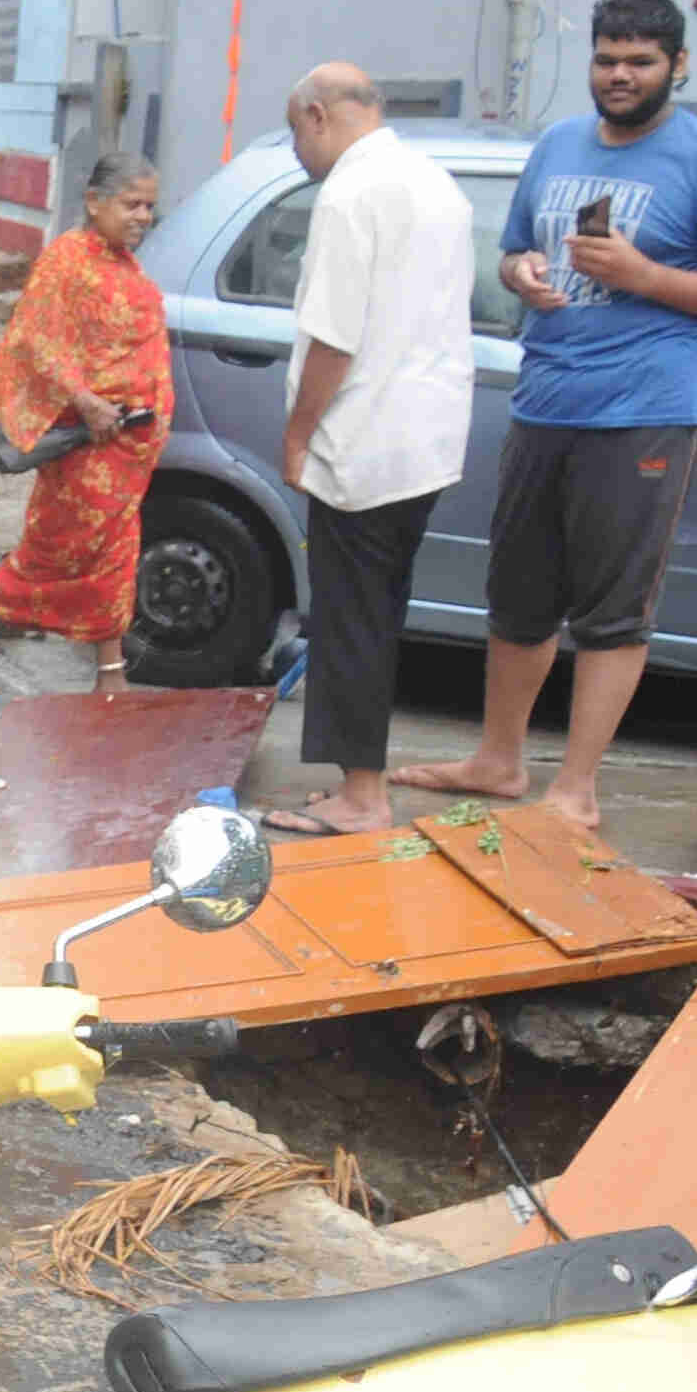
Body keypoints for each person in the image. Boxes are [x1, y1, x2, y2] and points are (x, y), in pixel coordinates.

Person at [391, 0, 697, 827]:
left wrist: (648, 278)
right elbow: (511, 252)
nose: (620, 74)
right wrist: (523, 274)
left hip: (648, 406)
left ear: (677, 65)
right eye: (607, 58)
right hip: (548, 396)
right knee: (519, 593)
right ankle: (500, 761)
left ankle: (576, 788)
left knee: (611, 607)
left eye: (640, 61)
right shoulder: (560, 143)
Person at [262, 64, 478, 836]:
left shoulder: (352, 193)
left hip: (365, 437)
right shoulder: (435, 182)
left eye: (295, 133)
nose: (297, 151)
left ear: (316, 115)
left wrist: (296, 435)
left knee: (353, 616)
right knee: (378, 614)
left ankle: (362, 795)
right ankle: (362, 783)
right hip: (425, 438)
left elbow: (334, 336)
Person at [0, 154, 171, 699]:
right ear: (95, 202)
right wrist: (86, 399)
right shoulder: (68, 260)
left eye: (150, 206)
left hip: (126, 449)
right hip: (89, 442)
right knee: (55, 552)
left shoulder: (123, 265)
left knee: (114, 558)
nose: (143, 216)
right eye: (132, 204)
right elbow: (37, 339)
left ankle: (110, 676)